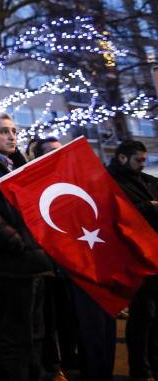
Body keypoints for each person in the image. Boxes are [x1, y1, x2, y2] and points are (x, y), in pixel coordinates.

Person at [0, 113, 53, 381]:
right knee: (13, 336)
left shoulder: (13, 165)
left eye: (14, 131)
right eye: (4, 131)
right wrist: (22, 244)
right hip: (10, 266)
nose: (12, 136)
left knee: (33, 331)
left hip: (30, 263)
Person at [107, 139, 158, 381]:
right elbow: (118, 215)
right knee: (143, 316)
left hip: (153, 255)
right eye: (138, 160)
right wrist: (148, 207)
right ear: (123, 158)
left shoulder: (145, 180)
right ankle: (140, 368)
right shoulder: (112, 182)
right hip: (136, 259)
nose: (142, 165)